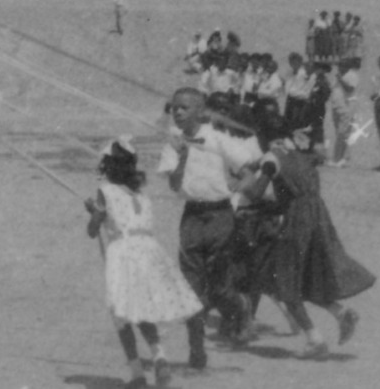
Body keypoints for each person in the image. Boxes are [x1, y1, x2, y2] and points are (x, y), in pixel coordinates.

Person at [237, 117, 371, 357]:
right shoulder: (300, 156)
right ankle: (339, 313)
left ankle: (315, 339)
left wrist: (244, 178)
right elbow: (293, 193)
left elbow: (256, 193)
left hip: (296, 223)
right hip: (317, 217)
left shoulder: (271, 158)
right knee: (307, 276)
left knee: (285, 283)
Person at [158, 87, 263, 370]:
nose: (178, 112)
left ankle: (240, 306)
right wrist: (181, 156)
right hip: (192, 217)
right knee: (191, 291)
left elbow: (250, 172)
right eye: (175, 108)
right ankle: (197, 354)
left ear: (200, 111)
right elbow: (174, 185)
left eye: (184, 107)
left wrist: (239, 186)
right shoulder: (173, 143)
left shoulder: (217, 138)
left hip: (220, 216)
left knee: (219, 290)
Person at [84, 137, 201, 388]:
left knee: (121, 312)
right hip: (148, 251)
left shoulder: (105, 191)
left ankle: (137, 373)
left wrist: (92, 211)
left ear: (108, 167)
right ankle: (159, 356)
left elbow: (93, 230)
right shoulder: (140, 194)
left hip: (123, 253)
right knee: (141, 307)